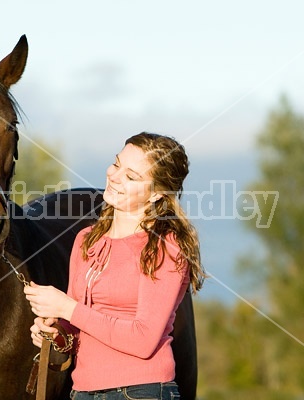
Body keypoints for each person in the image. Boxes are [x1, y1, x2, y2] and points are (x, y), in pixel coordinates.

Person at [24, 132, 206, 400]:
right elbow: (80, 327)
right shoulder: (87, 240)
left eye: (132, 177)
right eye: (117, 164)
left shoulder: (164, 246)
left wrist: (66, 307)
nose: (115, 176)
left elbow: (144, 339)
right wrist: (55, 332)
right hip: (83, 392)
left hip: (142, 391)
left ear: (157, 194)